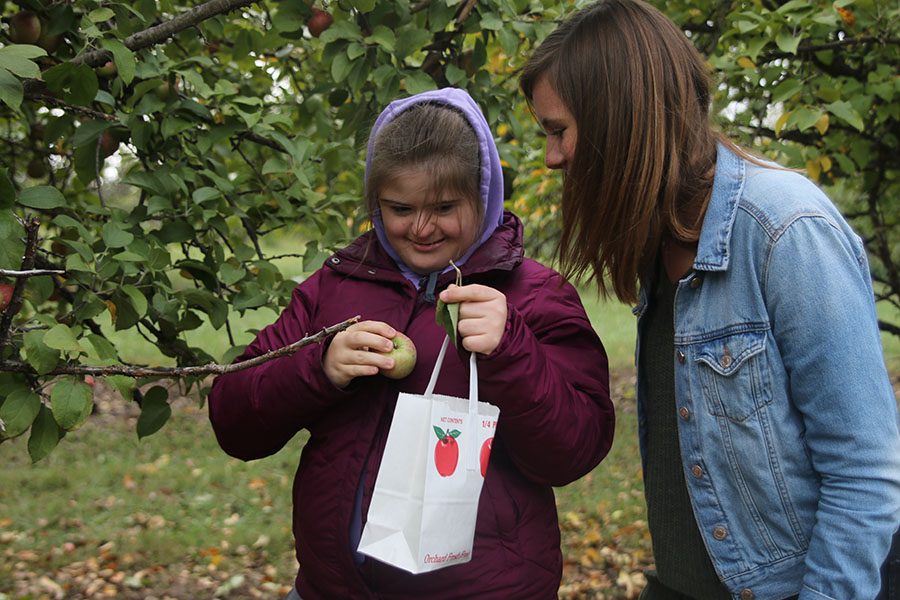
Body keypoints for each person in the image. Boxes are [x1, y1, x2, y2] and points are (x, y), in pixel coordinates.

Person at [519, 1, 900, 599]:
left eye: (558, 130)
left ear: (620, 119)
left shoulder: (782, 228)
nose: (552, 156)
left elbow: (865, 471)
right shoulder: (659, 244)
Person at [207, 87, 615, 599]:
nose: (421, 228)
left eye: (445, 207)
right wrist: (321, 367)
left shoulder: (533, 298)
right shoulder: (335, 287)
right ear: (376, 203)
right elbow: (233, 419)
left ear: (483, 196)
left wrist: (510, 349)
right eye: (401, 208)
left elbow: (573, 452)